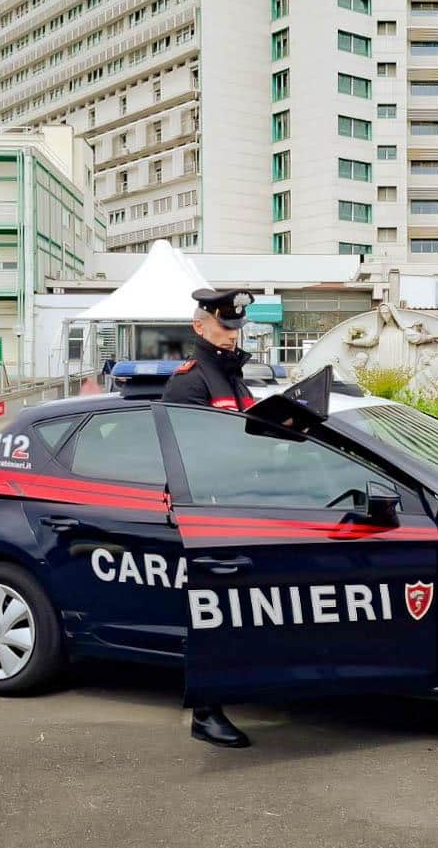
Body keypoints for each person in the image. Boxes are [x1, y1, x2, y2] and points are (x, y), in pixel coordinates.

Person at [162, 287, 257, 749]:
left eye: (236, 329)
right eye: (224, 328)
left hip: (242, 510)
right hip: (209, 517)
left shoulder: (233, 377)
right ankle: (206, 712)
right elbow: (186, 459)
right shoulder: (191, 381)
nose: (232, 337)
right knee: (212, 616)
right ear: (199, 327)